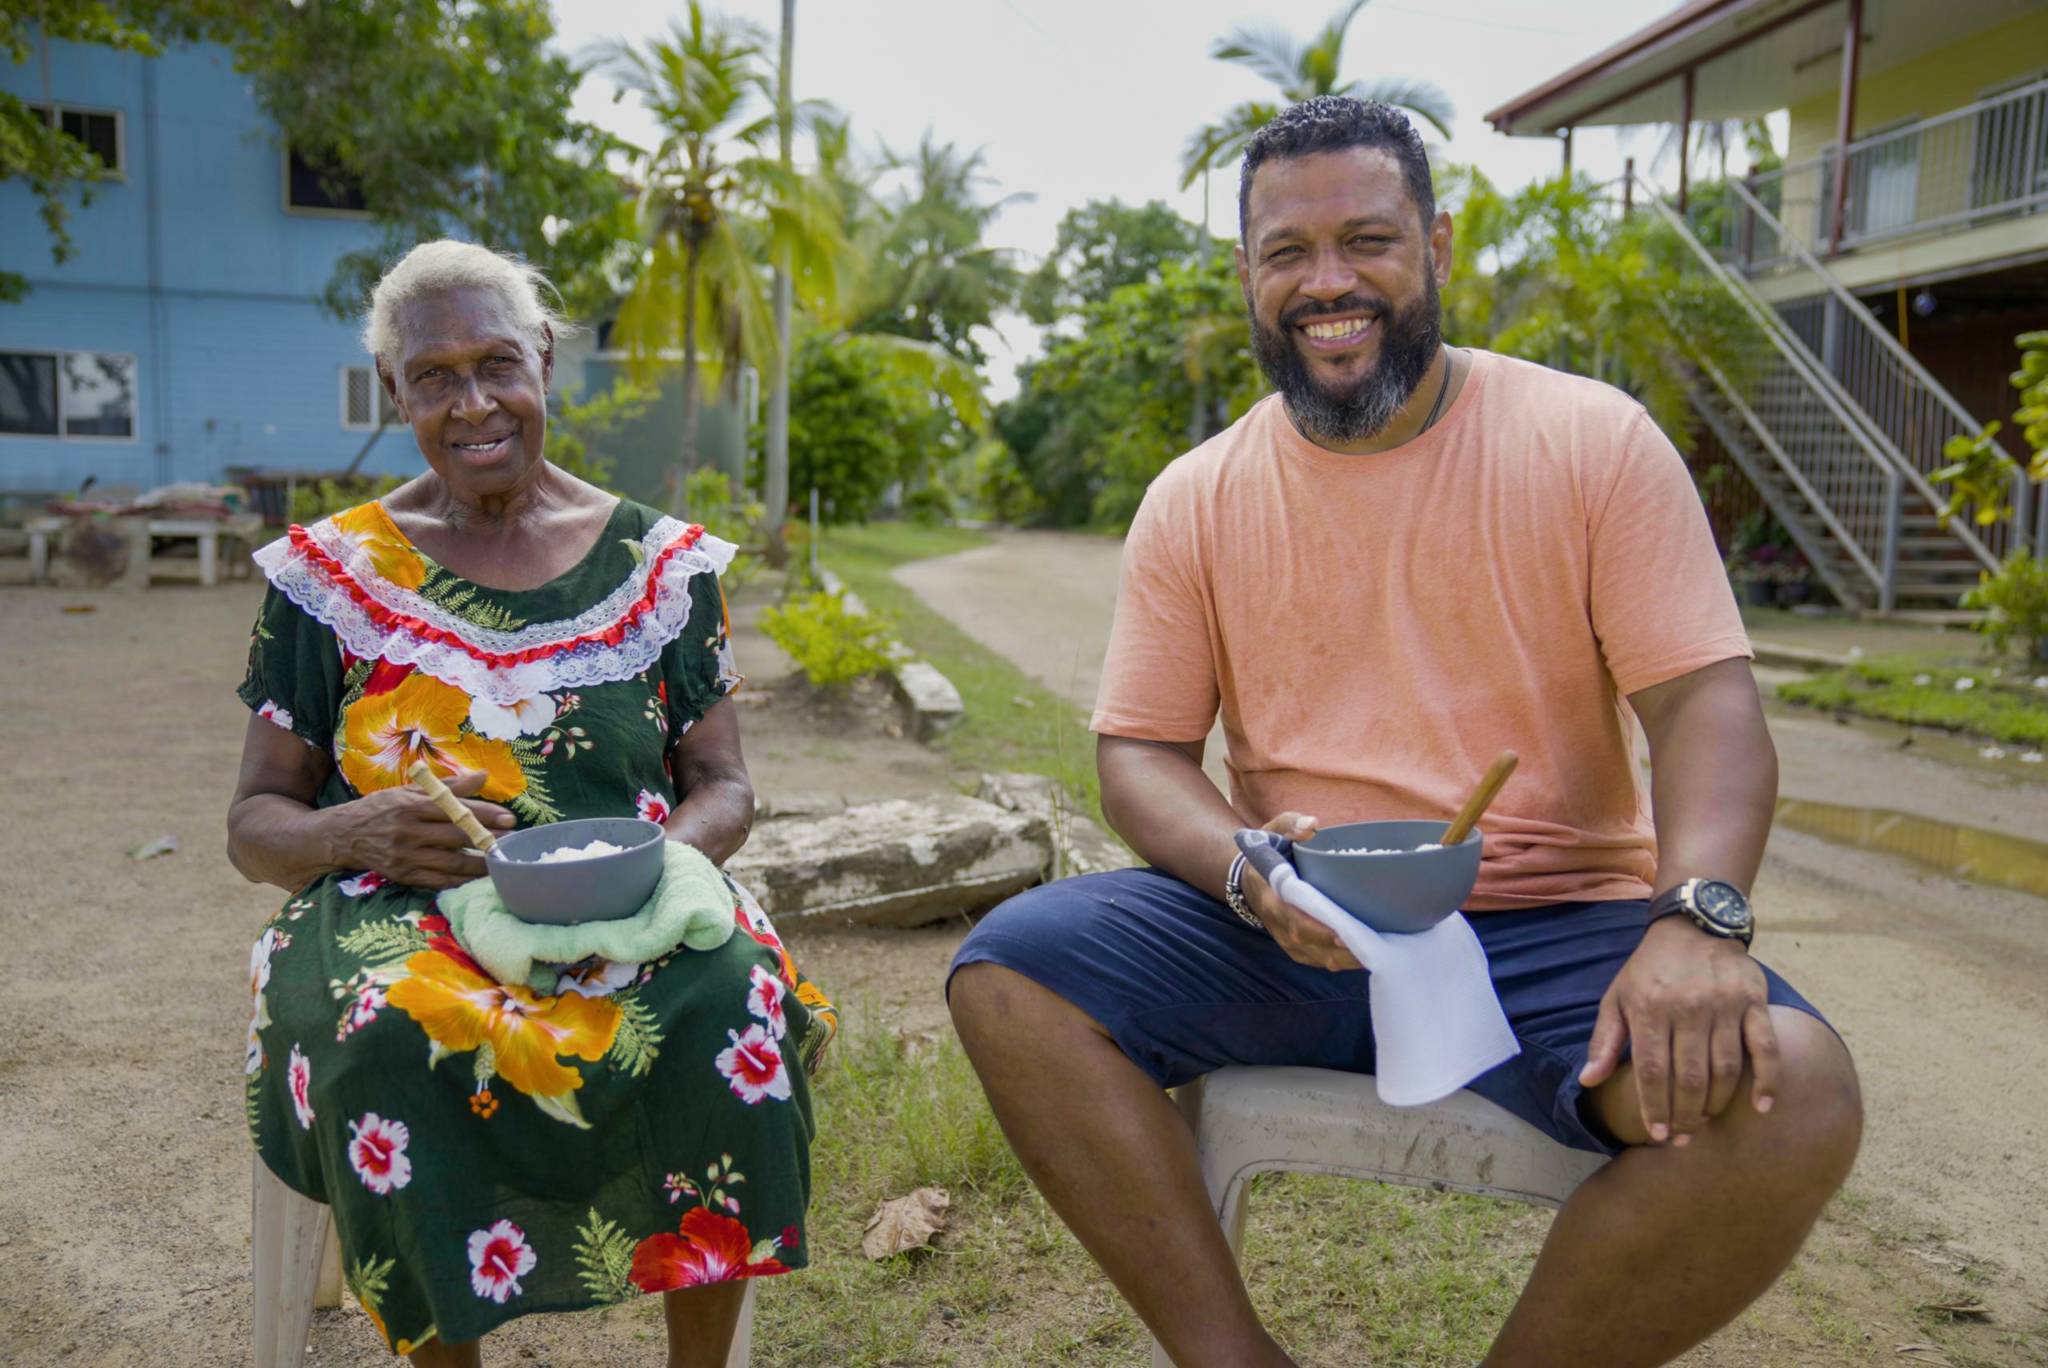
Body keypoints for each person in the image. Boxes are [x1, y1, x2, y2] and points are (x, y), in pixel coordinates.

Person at [947, 98, 1862, 1367]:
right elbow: (1140, 754)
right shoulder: (1196, 496)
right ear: (1246, 273)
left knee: (1792, 1088)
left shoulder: (1588, 442)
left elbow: (1702, 705)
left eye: (1366, 240)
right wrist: (1247, 869)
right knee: (1011, 971)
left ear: (1436, 245)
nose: (1328, 284)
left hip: (1557, 932)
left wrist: (1692, 916)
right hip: (1292, 934)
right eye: (1287, 253)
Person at [227, 240, 833, 1366]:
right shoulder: (331, 576)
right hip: (392, 908)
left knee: (730, 995)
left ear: (545, 361)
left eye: (496, 364)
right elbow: (255, 822)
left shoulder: (662, 566)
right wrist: (352, 828)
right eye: (432, 379)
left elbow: (724, 786)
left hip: (629, 895)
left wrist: (651, 864)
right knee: (389, 1034)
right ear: (397, 394)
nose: (472, 405)